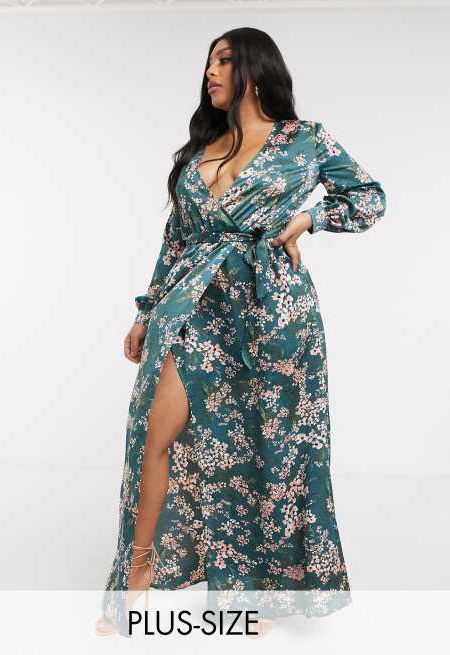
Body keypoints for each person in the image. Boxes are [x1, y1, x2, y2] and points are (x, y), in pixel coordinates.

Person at [97, 26, 386, 639]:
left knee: (262, 451)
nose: (210, 72)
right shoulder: (202, 148)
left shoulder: (304, 140)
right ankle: (136, 577)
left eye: (223, 60)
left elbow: (368, 197)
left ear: (256, 68)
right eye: (208, 62)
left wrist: (308, 219)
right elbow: (176, 240)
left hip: (271, 314)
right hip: (194, 305)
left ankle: (246, 599)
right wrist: (147, 311)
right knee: (154, 432)